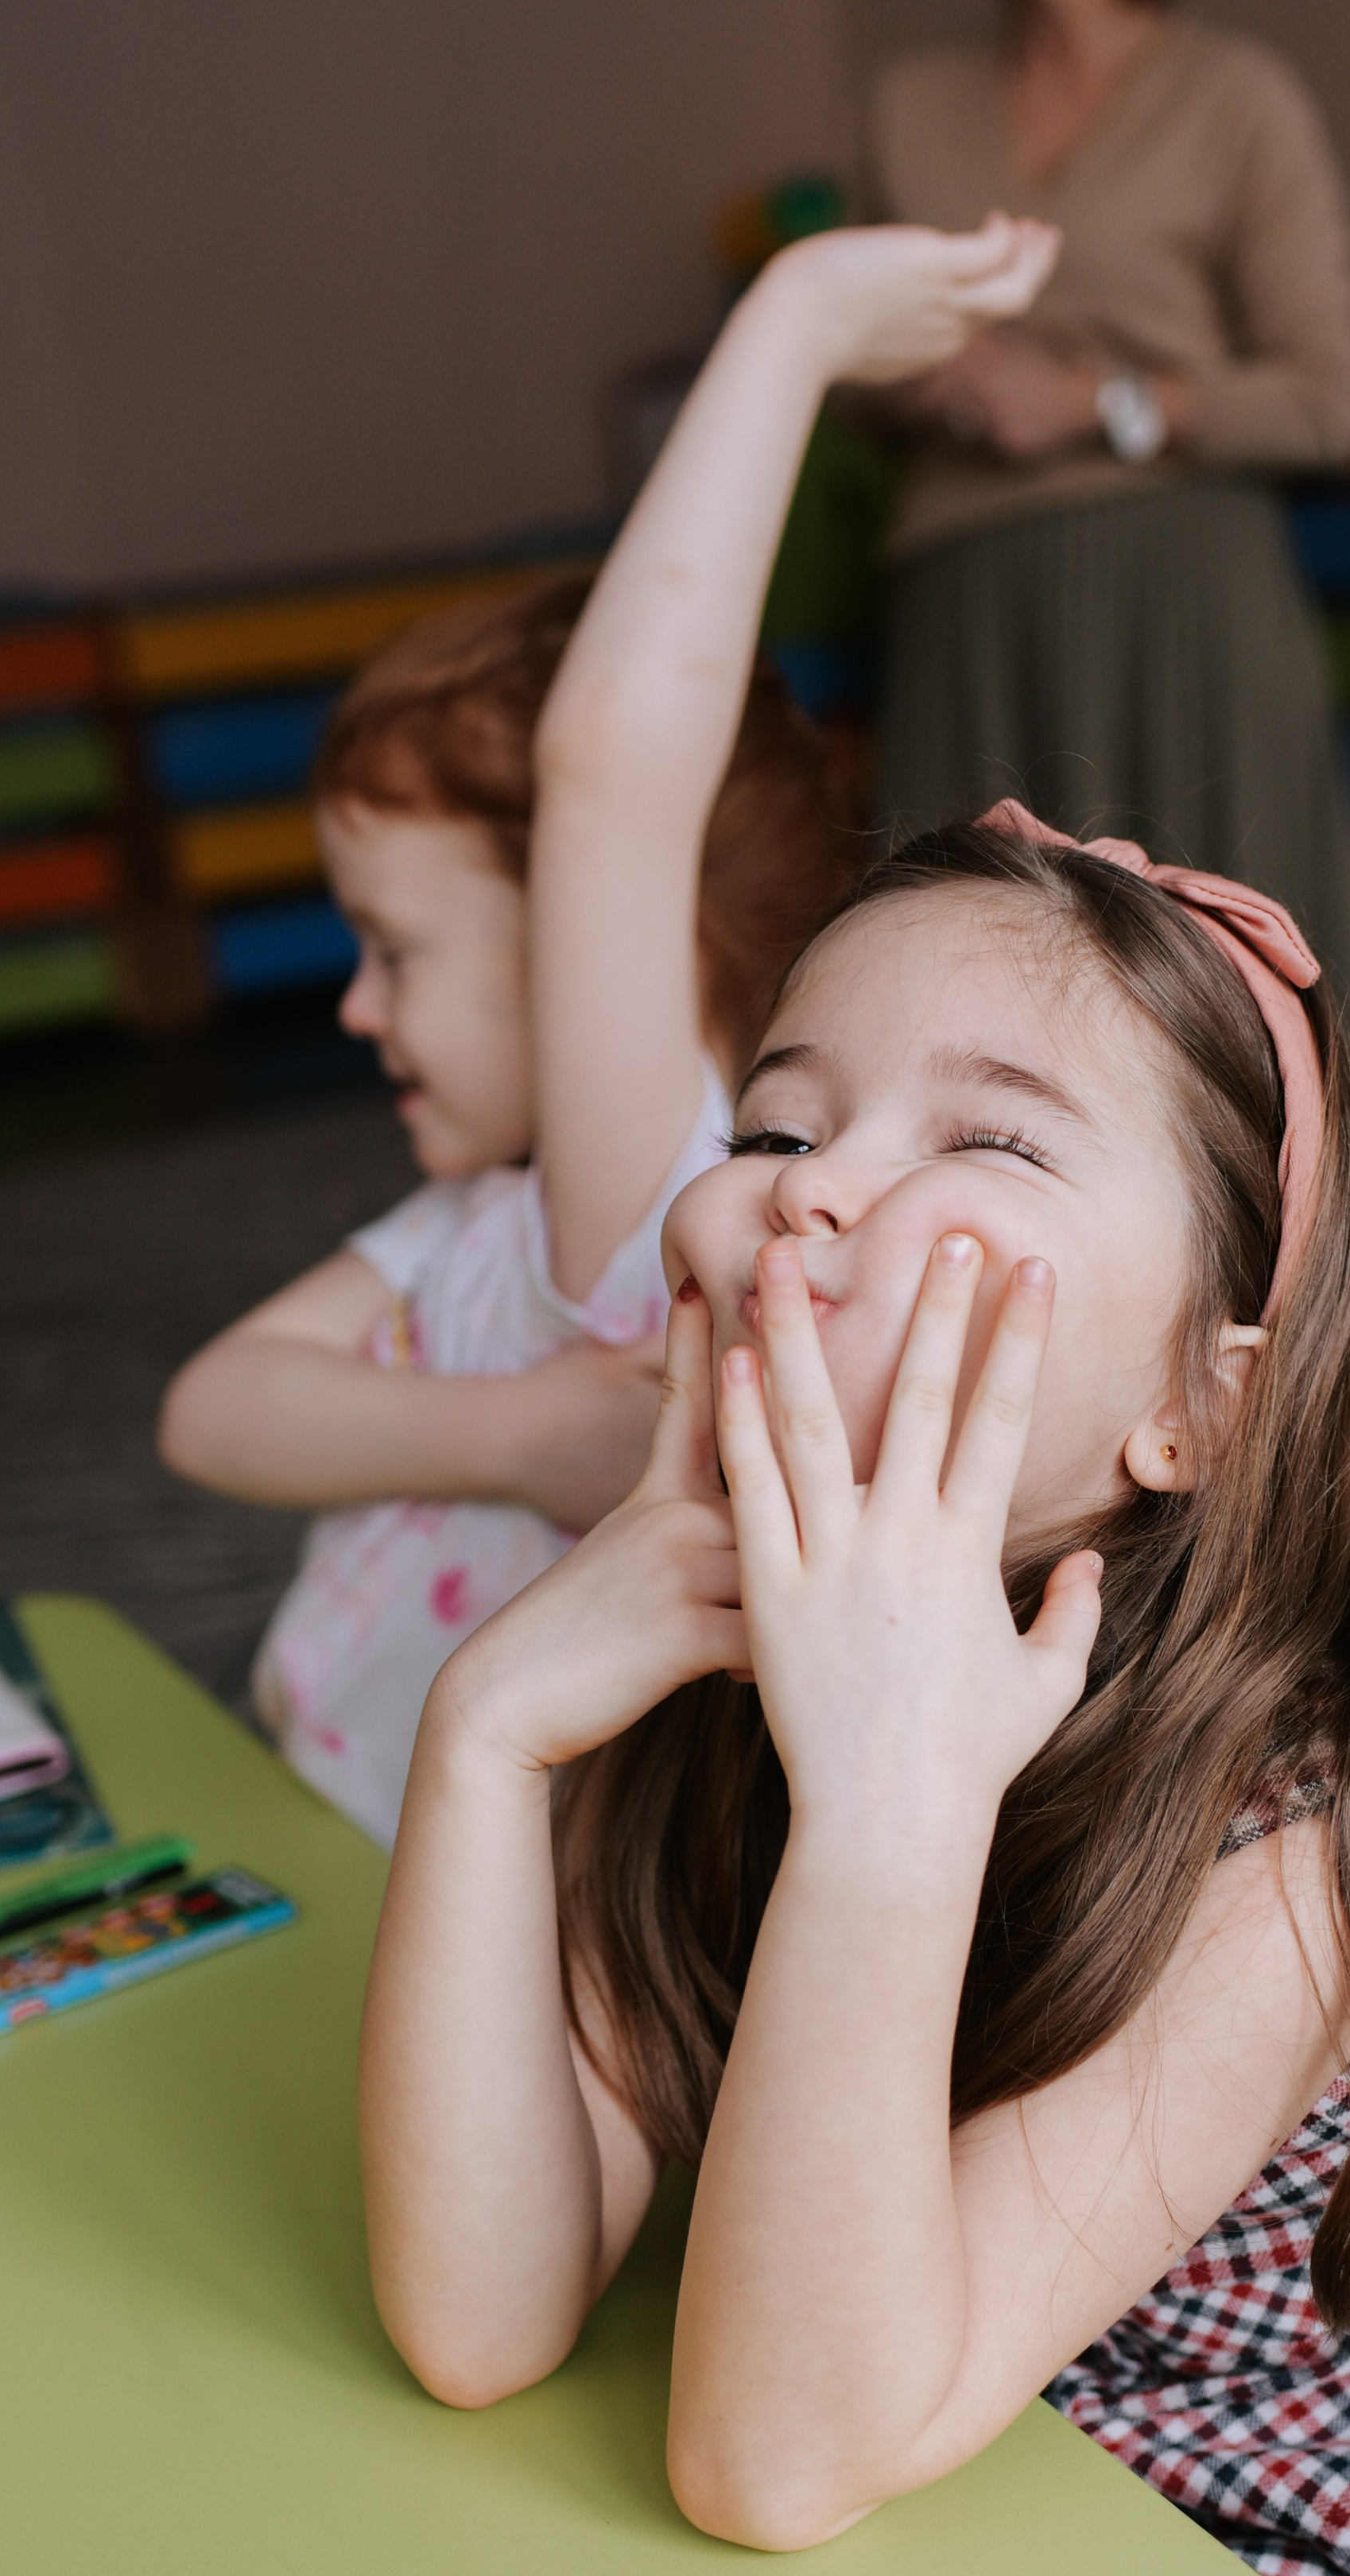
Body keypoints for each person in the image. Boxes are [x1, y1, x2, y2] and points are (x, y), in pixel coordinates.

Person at [359, 218, 1350, 2576]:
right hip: (985, 2527)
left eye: (984, 1142)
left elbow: (774, 2459)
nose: (819, 1191)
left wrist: (890, 1810)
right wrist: (494, 1728)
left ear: (1201, 1402)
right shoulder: (731, 1651)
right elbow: (483, 2311)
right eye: (780, 1125)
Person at [157, 576, 852, 1846]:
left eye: (396, 951)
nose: (356, 1007)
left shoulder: (656, 1203)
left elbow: (609, 796)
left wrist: (775, 395)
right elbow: (211, 1411)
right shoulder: (471, 1216)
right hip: (323, 1816)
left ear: (577, 950)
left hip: (453, 1885)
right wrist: (522, 1435)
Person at [857, 0, 1350, 1066]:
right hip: (967, 603)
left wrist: (1096, 402)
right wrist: (911, 379)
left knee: (1226, 994)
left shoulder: (1238, 98)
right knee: (954, 962)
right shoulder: (904, 106)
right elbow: (855, 370)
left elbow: (1325, 403)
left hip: (1179, 597)